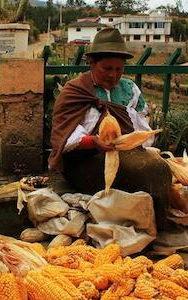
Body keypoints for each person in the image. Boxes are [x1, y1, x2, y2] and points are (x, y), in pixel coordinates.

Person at [48, 27, 172, 230]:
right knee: (145, 172)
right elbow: (63, 137)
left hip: (125, 153)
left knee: (159, 168)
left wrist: (130, 142)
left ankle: (155, 227)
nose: (113, 75)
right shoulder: (75, 91)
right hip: (84, 161)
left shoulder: (130, 90)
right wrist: (92, 142)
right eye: (107, 68)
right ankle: (141, 227)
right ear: (91, 63)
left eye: (119, 69)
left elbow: (144, 129)